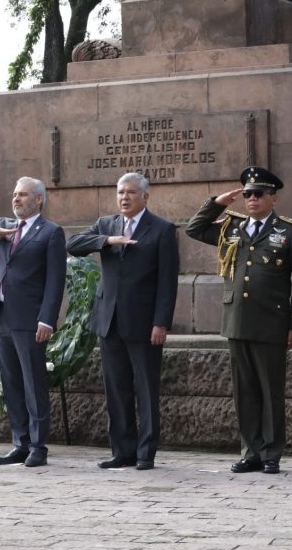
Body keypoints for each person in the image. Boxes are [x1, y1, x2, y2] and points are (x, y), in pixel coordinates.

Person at [185, 167, 292, 474]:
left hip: (272, 322)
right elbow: (194, 229)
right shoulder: (232, 227)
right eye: (248, 194)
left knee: (270, 390)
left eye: (259, 194)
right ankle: (250, 451)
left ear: (273, 199)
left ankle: (271, 453)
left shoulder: (289, 232)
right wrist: (217, 202)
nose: (252, 199)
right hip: (237, 319)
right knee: (245, 391)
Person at [66, 172, 179, 471]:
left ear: (145, 196)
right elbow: (73, 244)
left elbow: (168, 283)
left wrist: (161, 322)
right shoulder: (106, 224)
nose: (124, 197)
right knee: (117, 389)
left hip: (144, 324)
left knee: (145, 389)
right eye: (120, 192)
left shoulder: (162, 229)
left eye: (130, 192)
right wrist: (106, 241)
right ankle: (122, 451)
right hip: (109, 321)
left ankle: (145, 453)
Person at [0, 176, 66, 468]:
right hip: (1, 316)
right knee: (11, 384)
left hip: (31, 320)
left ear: (38, 199)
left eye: (23, 195)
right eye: (14, 194)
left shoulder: (51, 233)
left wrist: (47, 319)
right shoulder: (4, 225)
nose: (16, 199)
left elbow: (55, 282)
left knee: (33, 383)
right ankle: (20, 443)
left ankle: (38, 446)